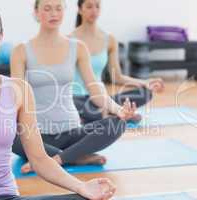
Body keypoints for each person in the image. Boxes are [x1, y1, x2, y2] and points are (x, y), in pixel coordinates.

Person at [0, 2, 116, 200]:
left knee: (85, 198)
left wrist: (82, 187)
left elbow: (39, 159)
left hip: (5, 194)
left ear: (1, 38)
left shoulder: (19, 90)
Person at [11, 0, 138, 174]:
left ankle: (55, 159)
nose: (53, 14)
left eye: (58, 8)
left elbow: (95, 90)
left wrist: (118, 110)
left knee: (118, 123)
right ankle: (76, 157)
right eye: (47, 9)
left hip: (71, 132)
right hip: (35, 134)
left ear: (64, 11)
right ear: (36, 12)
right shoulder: (21, 50)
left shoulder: (77, 47)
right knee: (6, 133)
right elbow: (17, 95)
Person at [71, 0, 164, 123]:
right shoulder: (70, 40)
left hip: (101, 98)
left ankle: (111, 113)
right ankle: (111, 114)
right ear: (80, 9)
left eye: (97, 6)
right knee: (96, 112)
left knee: (145, 93)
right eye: (89, 6)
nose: (94, 10)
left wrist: (145, 82)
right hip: (78, 98)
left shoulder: (109, 39)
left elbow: (117, 77)